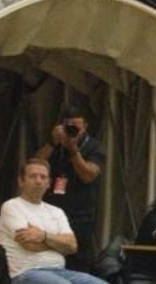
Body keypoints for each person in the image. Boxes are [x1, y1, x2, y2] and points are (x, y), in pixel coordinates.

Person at [31, 109, 104, 275]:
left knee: (77, 260)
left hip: (80, 214)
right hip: (51, 213)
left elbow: (88, 175)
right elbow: (34, 166)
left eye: (76, 127)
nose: (72, 131)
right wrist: (52, 142)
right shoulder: (55, 144)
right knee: (49, 258)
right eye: (68, 127)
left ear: (85, 127)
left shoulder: (94, 147)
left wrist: (73, 150)